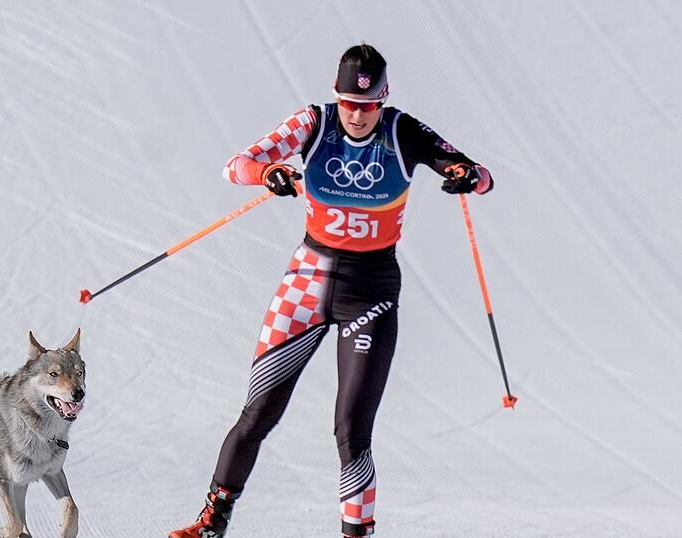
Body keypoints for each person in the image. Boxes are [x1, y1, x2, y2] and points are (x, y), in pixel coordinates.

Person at [168, 43, 494, 538]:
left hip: (372, 292)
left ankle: (355, 533)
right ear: (335, 97)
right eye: (348, 103)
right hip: (308, 281)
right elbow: (235, 165)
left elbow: (480, 175)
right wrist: (269, 172)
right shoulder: (313, 123)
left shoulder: (402, 130)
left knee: (351, 431)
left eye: (367, 105)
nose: (357, 115)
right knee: (258, 413)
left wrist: (466, 174)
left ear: (383, 100)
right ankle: (212, 521)